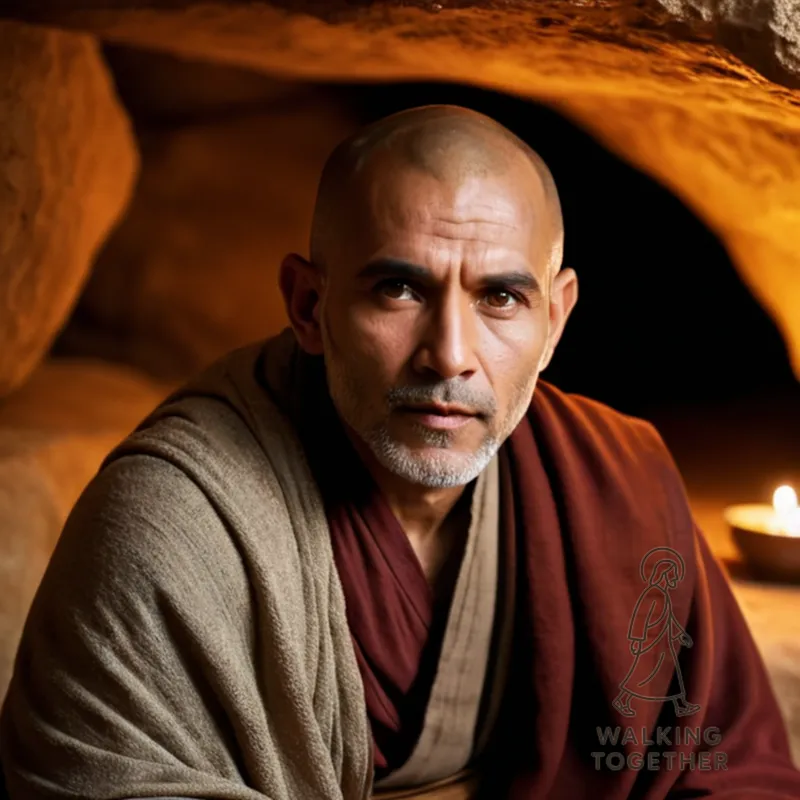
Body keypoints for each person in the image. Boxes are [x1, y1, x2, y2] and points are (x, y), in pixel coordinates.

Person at [0, 105, 798, 800]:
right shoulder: (173, 525)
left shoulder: (616, 479)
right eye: (400, 289)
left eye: (500, 297)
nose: (448, 353)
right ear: (308, 306)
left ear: (554, 321)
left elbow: (737, 770)